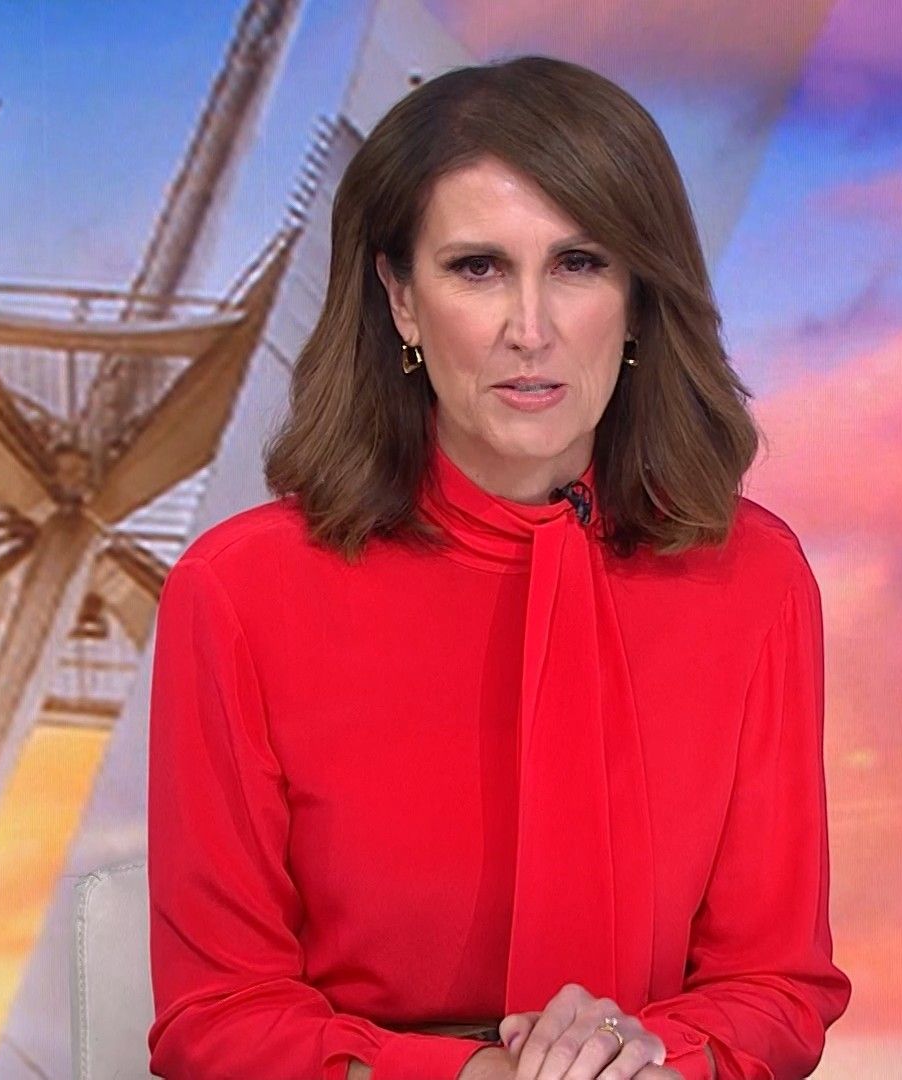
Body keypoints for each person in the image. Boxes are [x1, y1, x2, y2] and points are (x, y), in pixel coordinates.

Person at [146, 54, 851, 1080]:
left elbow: (777, 987)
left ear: (638, 297)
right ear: (400, 298)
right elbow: (219, 1017)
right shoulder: (238, 593)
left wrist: (651, 1057)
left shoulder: (755, 579)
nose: (531, 329)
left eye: (579, 264)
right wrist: (474, 1077)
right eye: (477, 268)